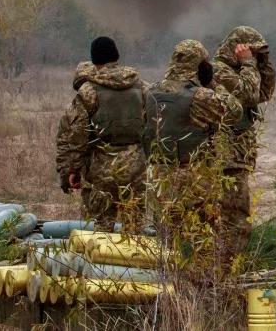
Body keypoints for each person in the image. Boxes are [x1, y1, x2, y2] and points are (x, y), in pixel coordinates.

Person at [143, 40, 243, 273]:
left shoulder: (150, 92)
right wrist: (212, 84)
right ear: (198, 65)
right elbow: (235, 112)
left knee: (165, 232)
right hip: (194, 176)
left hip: (159, 176)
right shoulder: (200, 96)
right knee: (201, 232)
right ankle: (199, 284)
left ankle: (168, 283)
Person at [55, 36, 148, 230]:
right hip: (137, 169)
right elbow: (154, 124)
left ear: (95, 61)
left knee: (101, 231)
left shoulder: (88, 91)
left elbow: (76, 135)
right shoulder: (141, 87)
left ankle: (100, 260)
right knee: (135, 230)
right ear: (116, 56)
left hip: (101, 171)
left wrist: (71, 170)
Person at [210, 26, 276, 263]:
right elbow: (248, 94)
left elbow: (263, 93)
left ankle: (229, 264)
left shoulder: (242, 70)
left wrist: (262, 62)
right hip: (225, 154)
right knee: (233, 216)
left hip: (237, 154)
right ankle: (228, 268)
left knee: (235, 214)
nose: (253, 56)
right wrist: (248, 64)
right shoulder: (218, 70)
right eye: (250, 50)